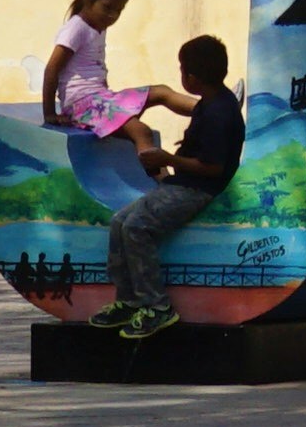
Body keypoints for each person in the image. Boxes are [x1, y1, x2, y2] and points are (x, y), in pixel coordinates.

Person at [101, 34, 240, 340]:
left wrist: (168, 158)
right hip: (183, 183)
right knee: (119, 221)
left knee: (137, 227)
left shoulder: (219, 112)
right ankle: (128, 300)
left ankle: (156, 305)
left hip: (197, 189)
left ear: (191, 77)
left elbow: (213, 168)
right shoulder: (210, 103)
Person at [42, 0, 172, 149]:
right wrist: (50, 114)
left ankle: (209, 109)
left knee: (162, 92)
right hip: (82, 106)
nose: (112, 16)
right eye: (107, 8)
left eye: (118, 11)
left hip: (102, 98)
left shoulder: (99, 25)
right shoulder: (76, 29)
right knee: (141, 132)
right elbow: (51, 69)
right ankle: (155, 176)